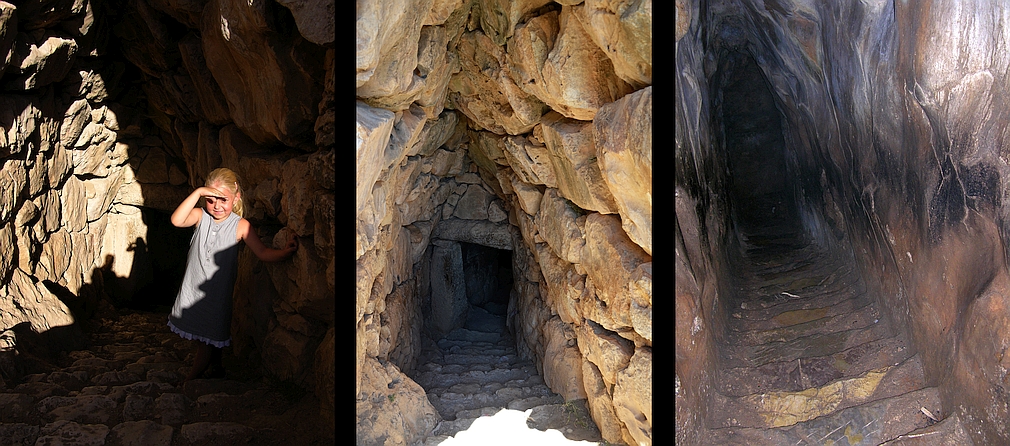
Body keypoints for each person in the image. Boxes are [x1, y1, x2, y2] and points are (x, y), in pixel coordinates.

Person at [167, 167, 297, 382]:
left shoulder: (240, 226)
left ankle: (191, 379)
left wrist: (285, 253)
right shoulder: (201, 217)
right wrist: (199, 192)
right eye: (210, 199)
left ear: (236, 198)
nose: (217, 206)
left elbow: (262, 252)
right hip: (193, 290)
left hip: (216, 295)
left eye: (223, 200)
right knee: (205, 337)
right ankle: (216, 369)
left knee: (209, 338)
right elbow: (176, 220)